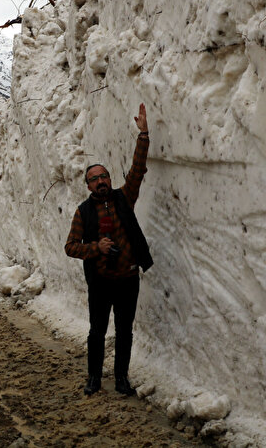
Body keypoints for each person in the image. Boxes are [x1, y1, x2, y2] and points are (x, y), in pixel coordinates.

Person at [65, 103, 154, 396]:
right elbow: (70, 247)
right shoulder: (83, 212)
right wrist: (95, 247)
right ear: (88, 185)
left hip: (128, 279)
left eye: (104, 176)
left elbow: (138, 171)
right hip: (101, 283)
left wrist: (143, 135)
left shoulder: (123, 199)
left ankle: (121, 379)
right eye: (95, 178)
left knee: (125, 332)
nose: (101, 181)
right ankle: (93, 377)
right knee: (97, 332)